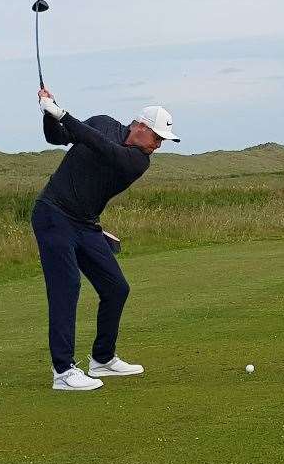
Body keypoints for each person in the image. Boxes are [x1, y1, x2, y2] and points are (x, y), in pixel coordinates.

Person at [32, 87, 180, 391]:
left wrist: (63, 113)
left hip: (85, 224)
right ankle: (63, 371)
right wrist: (49, 112)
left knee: (116, 287)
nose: (159, 146)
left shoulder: (138, 160)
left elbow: (99, 146)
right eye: (157, 138)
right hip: (53, 214)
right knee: (67, 287)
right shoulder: (102, 122)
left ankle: (102, 359)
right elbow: (57, 137)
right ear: (140, 127)